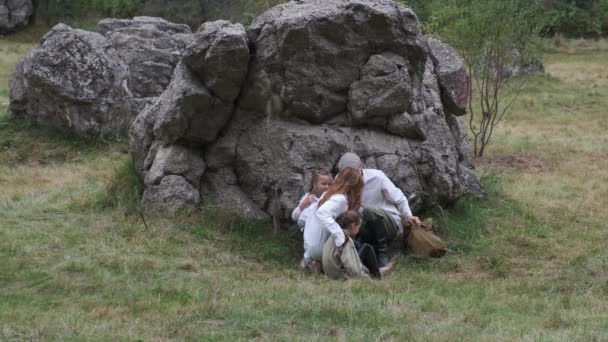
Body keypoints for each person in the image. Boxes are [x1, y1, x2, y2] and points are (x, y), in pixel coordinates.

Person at [337, 152, 421, 267]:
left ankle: (382, 253)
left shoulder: (377, 176)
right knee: (351, 217)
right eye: (345, 175)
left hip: (388, 222)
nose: (349, 178)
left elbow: (399, 197)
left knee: (368, 211)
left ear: (360, 167)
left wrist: (408, 215)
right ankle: (357, 257)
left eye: (351, 173)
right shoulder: (340, 180)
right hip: (362, 224)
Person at [302, 167, 363, 269]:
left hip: (309, 249)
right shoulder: (340, 199)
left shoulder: (328, 193)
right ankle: (364, 269)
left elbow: (303, 218)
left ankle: (312, 262)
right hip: (321, 250)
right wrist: (340, 237)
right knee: (350, 234)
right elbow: (322, 213)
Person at [322, 210, 372, 279]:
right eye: (358, 226)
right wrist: (367, 278)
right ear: (353, 226)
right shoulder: (345, 240)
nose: (359, 229)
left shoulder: (333, 236)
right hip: (341, 278)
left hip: (330, 275)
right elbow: (353, 268)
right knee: (367, 248)